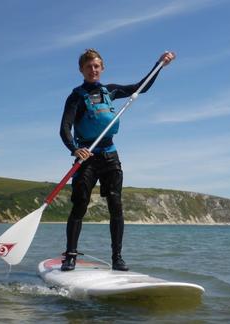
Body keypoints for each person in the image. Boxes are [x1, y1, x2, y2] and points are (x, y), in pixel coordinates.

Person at [59, 49, 176, 271]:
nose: (93, 70)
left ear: (102, 68)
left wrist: (159, 65)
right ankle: (71, 255)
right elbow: (64, 128)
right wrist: (75, 150)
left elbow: (142, 87)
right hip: (87, 156)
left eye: (96, 66)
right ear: (81, 70)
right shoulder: (76, 97)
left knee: (116, 205)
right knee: (80, 204)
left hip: (110, 154)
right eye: (88, 67)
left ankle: (117, 258)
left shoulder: (110, 91)